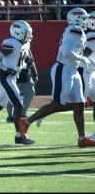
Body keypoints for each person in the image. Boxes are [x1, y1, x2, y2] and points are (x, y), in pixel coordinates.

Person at [19, 8, 95, 148]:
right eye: (84, 19)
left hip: (72, 69)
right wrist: (84, 60)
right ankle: (26, 122)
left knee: (79, 104)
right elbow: (67, 52)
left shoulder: (74, 29)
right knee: (57, 104)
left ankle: (82, 138)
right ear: (78, 19)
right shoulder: (76, 30)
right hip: (64, 68)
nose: (87, 22)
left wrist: (82, 59)